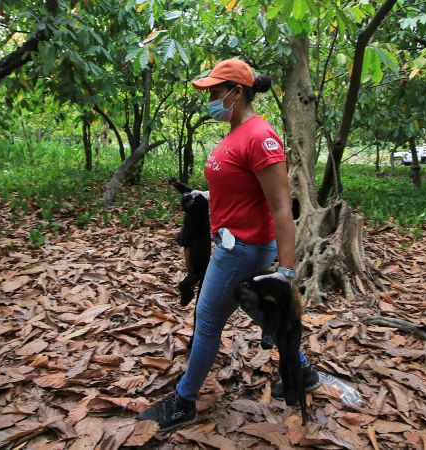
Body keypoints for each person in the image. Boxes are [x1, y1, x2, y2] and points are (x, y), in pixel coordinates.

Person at [137, 59, 320, 430]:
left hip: (242, 250)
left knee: (206, 322)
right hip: (232, 243)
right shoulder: (235, 133)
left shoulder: (260, 136)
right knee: (257, 311)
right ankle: (301, 371)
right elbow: (238, 188)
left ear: (237, 93)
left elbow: (282, 207)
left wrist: (287, 273)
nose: (210, 100)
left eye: (215, 93)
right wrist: (203, 195)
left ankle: (184, 402)